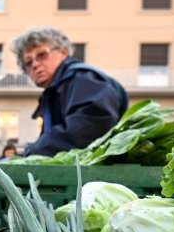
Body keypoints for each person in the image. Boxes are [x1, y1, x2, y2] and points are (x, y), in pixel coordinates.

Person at [10, 27, 128, 157]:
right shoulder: (56, 90)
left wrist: (31, 153)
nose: (35, 64)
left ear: (63, 52)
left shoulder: (81, 79)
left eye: (42, 55)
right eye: (28, 62)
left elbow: (86, 130)